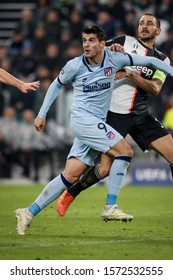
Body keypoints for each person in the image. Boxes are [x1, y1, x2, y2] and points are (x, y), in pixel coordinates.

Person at [15, 25, 173, 235]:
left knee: (70, 176)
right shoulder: (74, 65)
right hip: (82, 120)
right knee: (125, 151)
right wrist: (42, 114)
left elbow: (151, 62)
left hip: (97, 122)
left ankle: (28, 212)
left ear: (101, 43)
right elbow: (56, 85)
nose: (86, 45)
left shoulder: (116, 59)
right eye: (84, 40)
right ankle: (110, 207)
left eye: (91, 41)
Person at [57, 14, 173, 220]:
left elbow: (155, 88)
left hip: (141, 114)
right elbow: (95, 52)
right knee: (104, 169)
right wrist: (110, 49)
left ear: (158, 31)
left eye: (150, 24)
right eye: (141, 23)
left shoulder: (162, 59)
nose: (144, 26)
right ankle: (71, 193)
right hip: (114, 114)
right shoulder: (122, 42)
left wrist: (131, 74)